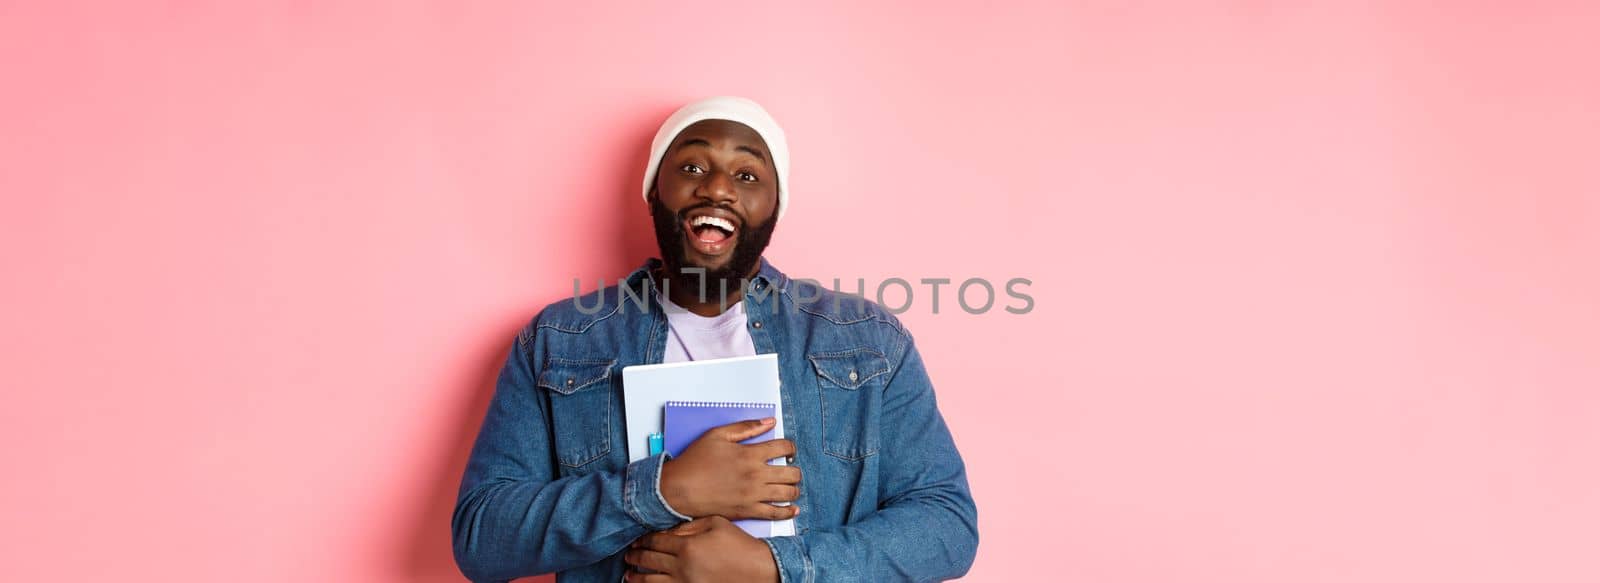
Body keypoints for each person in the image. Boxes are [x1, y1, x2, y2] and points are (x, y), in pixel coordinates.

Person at [452, 96, 978, 582]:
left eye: (747, 174)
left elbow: (946, 526)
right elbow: (481, 537)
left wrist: (774, 568)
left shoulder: (867, 340)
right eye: (692, 167)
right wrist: (662, 490)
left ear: (774, 206)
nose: (718, 187)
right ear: (655, 191)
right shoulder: (560, 340)